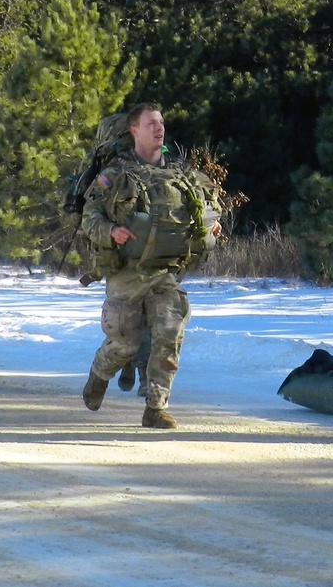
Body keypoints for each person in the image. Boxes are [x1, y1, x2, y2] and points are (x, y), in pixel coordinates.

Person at [80, 102, 221, 429]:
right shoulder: (115, 174)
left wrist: (212, 225)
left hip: (166, 271)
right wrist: (111, 231)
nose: (159, 129)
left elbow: (209, 206)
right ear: (134, 131)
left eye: (161, 123)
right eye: (151, 124)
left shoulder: (181, 172)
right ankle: (100, 373)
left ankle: (156, 407)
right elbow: (90, 217)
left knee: (170, 333)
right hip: (127, 272)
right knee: (126, 342)